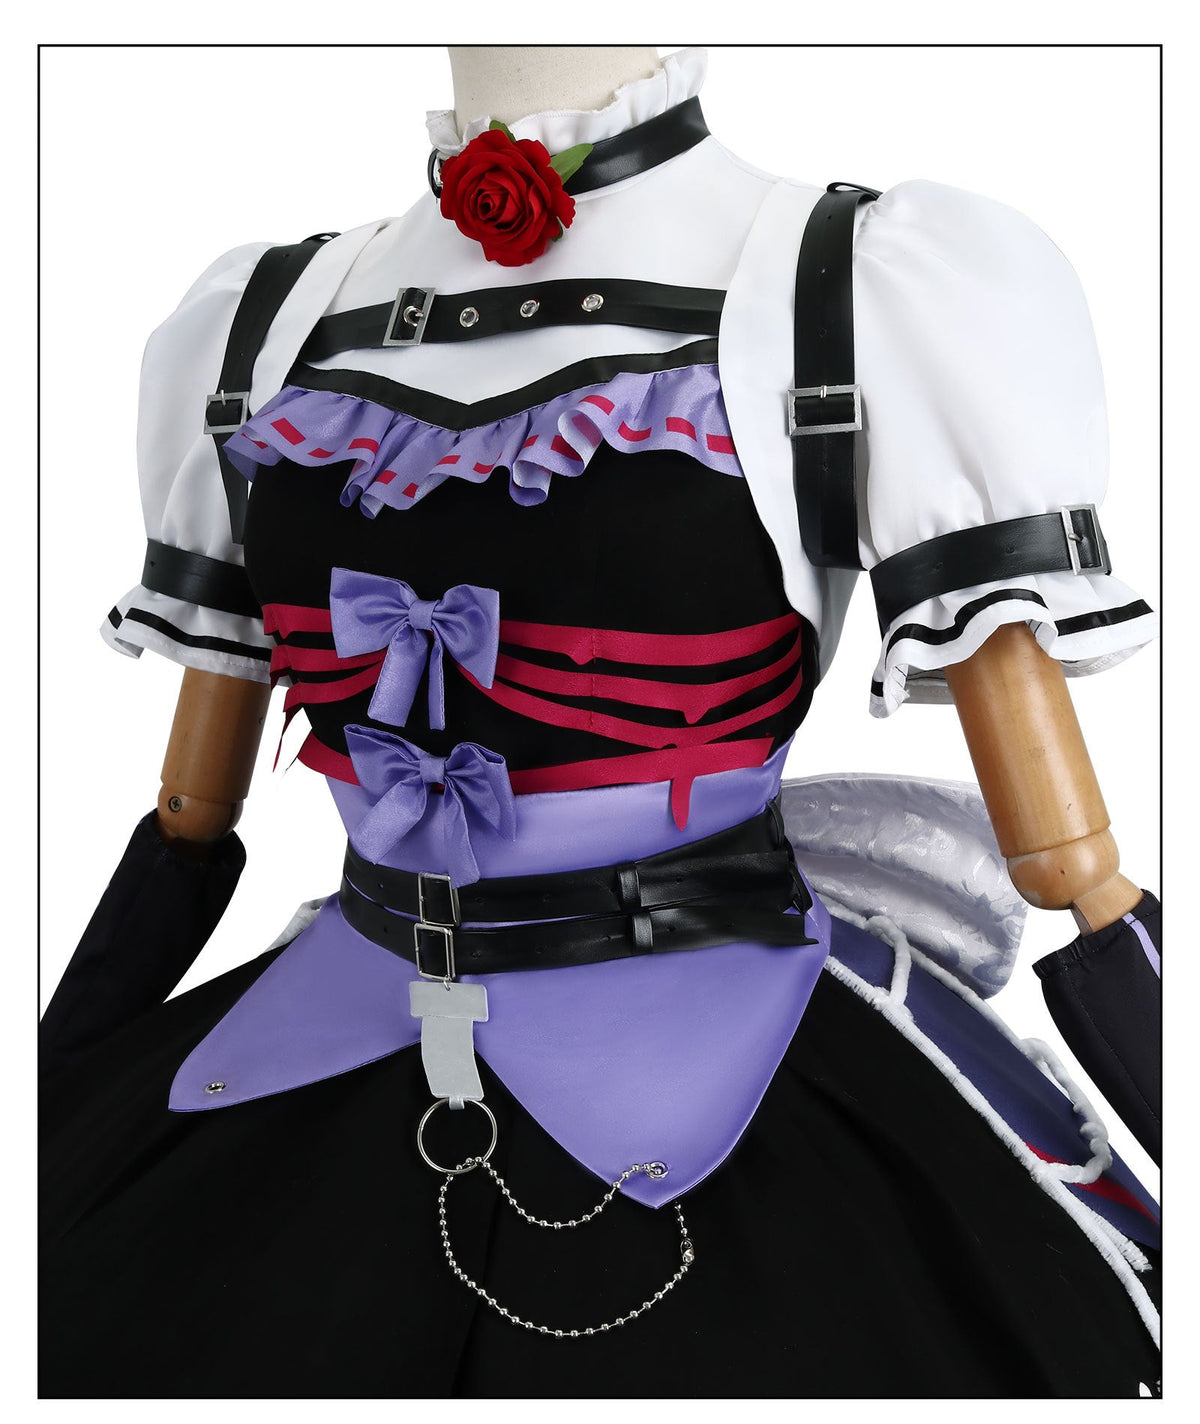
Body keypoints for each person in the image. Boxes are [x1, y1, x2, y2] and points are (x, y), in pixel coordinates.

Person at [40, 45, 1161, 1398]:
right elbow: (192, 808)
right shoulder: (265, 317)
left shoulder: (857, 287)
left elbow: (1067, 860)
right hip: (340, 1001)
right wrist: (61, 1079)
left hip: (724, 1032)